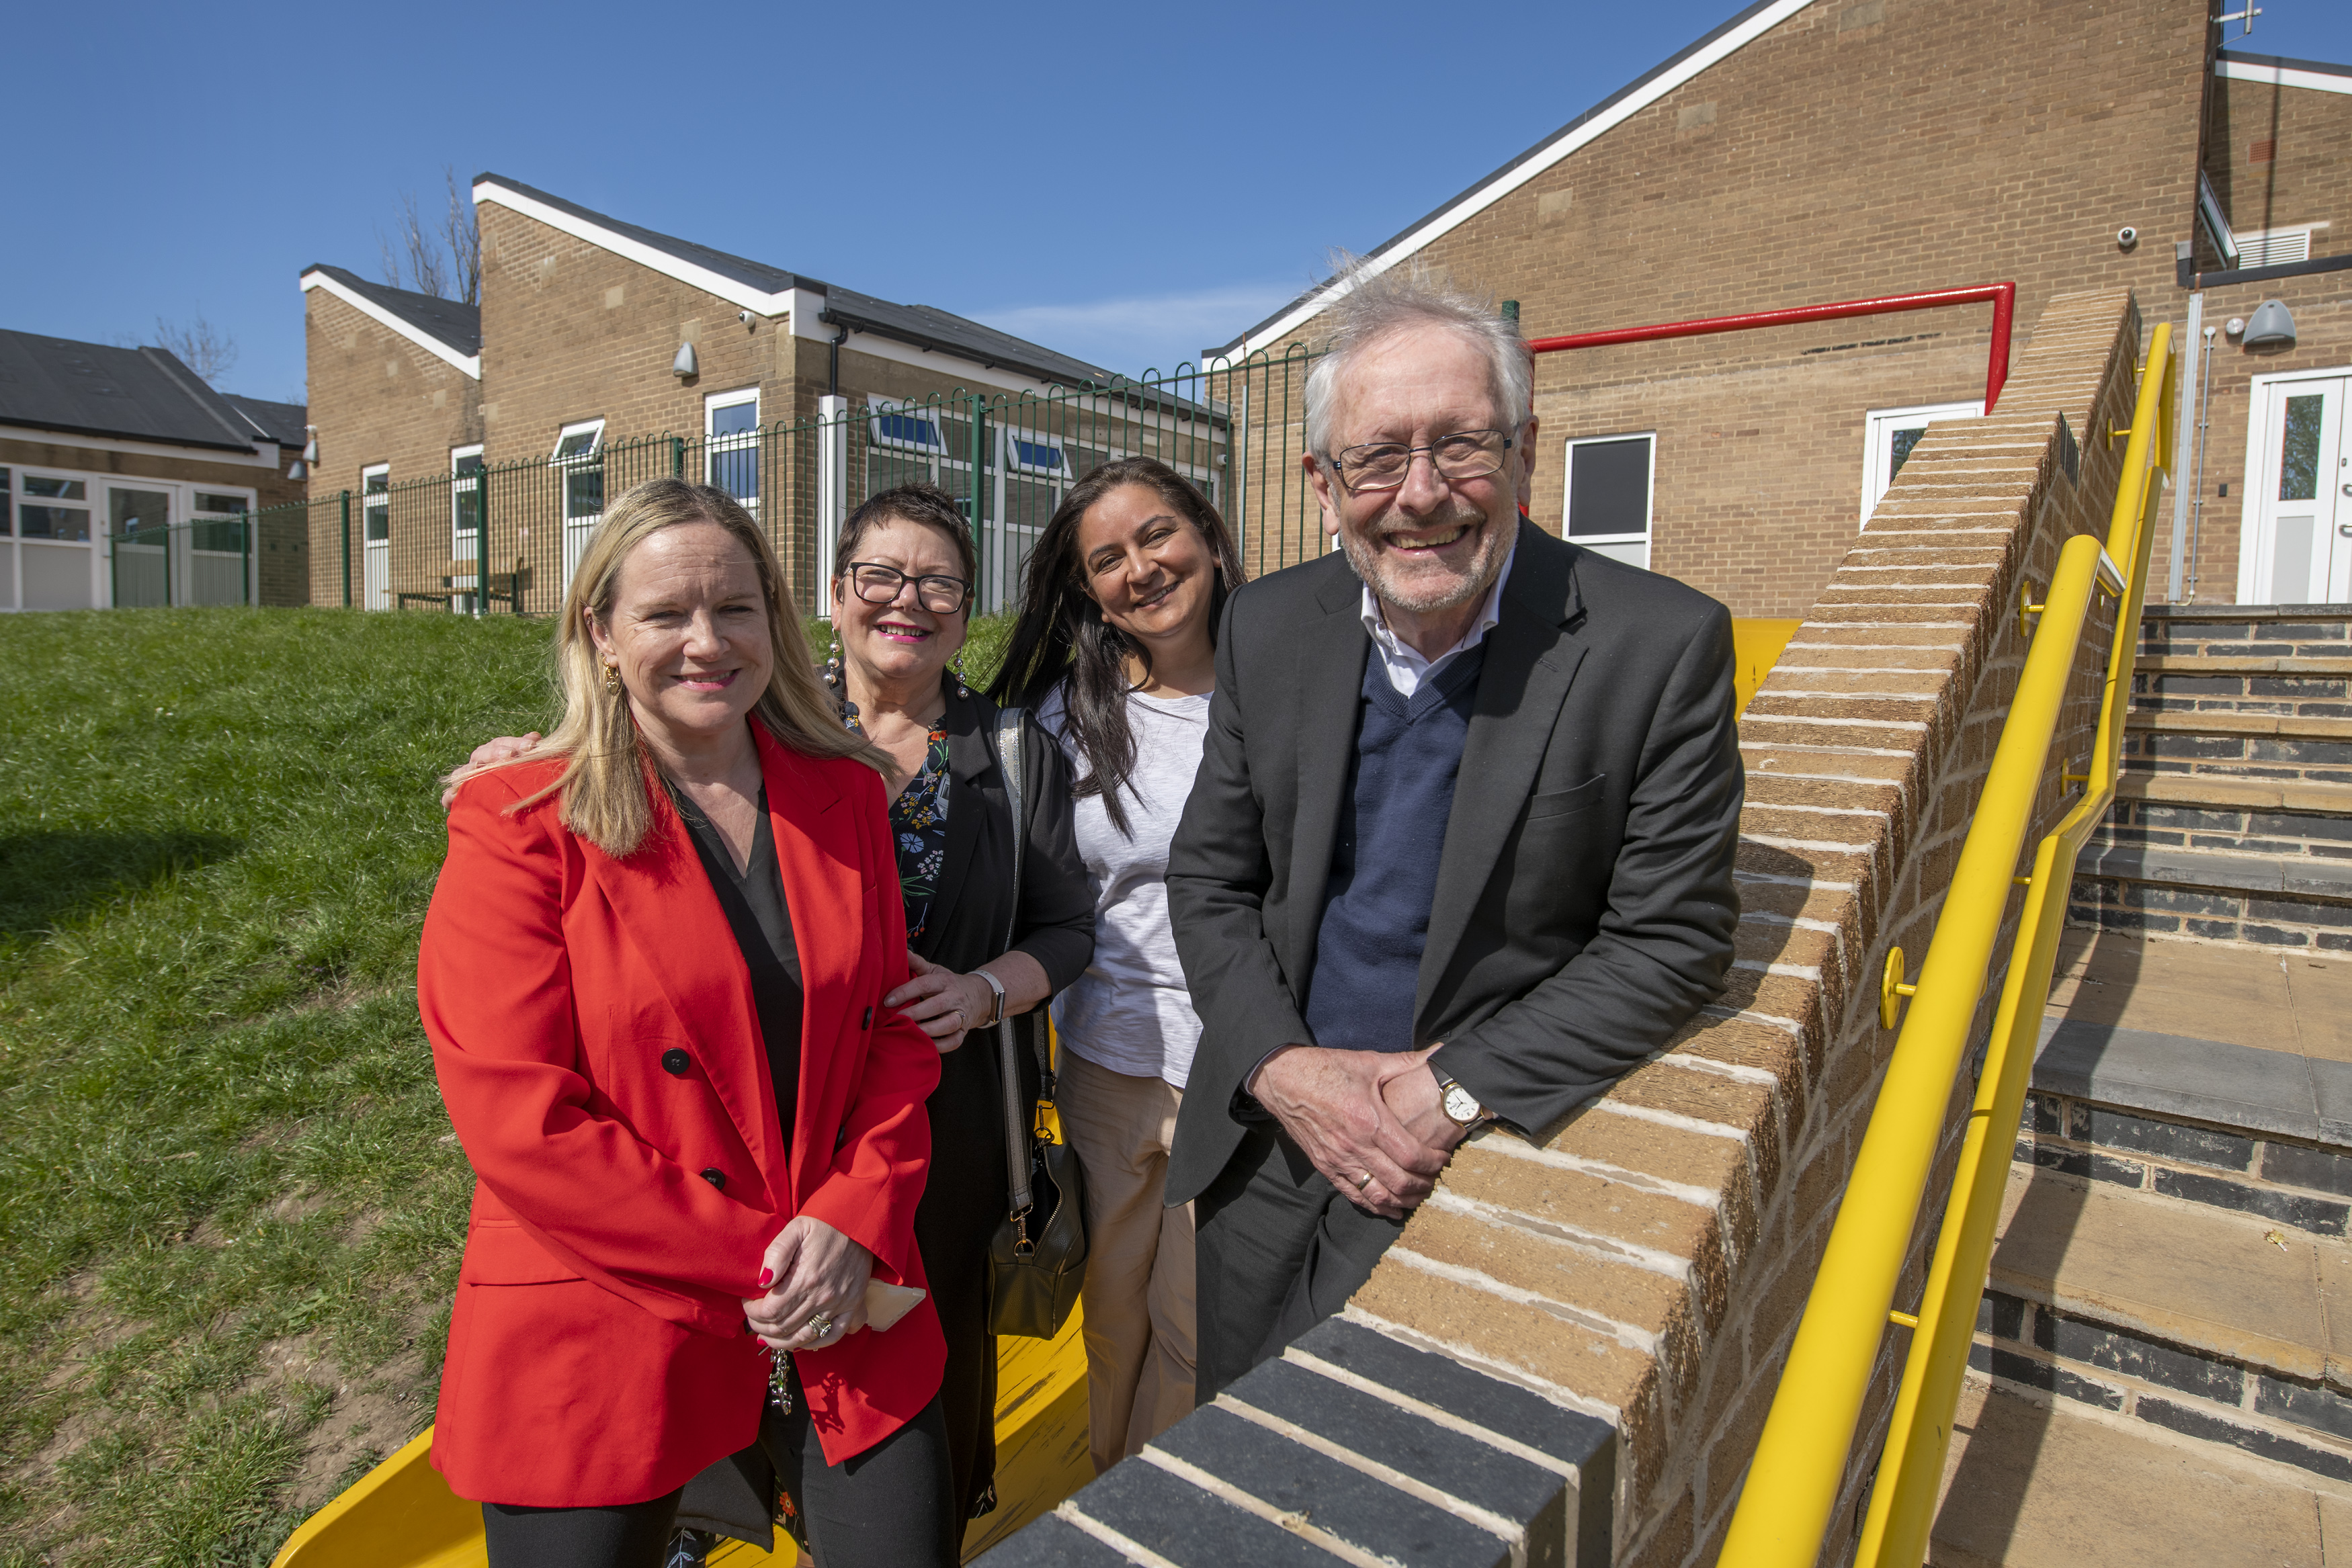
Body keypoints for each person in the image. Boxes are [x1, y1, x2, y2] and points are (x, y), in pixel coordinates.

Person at [1164, 265, 1745, 1403]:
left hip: (1468, 1165)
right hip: (1270, 1150)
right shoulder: (1268, 626)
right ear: (1323, 483)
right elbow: (1210, 879)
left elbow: (1671, 939)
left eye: (1462, 446)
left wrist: (1455, 1092)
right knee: (1231, 1441)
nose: (1421, 493)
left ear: (1525, 452)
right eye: (1379, 457)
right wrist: (1282, 1067)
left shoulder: (1657, 646)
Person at [419, 476, 957, 1568]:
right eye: (666, 612)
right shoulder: (517, 817)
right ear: (601, 633)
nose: (707, 642)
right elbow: (523, 1120)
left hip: (844, 1292)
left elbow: (891, 1031)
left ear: (775, 620)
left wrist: (854, 1217)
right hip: (609, 1310)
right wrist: (770, 1257)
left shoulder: (846, 791)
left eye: (735, 607)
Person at [817, 482, 1095, 1525]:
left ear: (966, 609)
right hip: (794, 1110)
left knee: (926, 1339)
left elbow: (1069, 927)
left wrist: (982, 992)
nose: (909, 598)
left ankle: (909, 1522)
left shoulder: (1013, 750)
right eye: (882, 574)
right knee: (787, 1330)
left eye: (938, 582)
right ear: (836, 592)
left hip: (953, 1117)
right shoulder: (768, 727)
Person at [990, 456, 1245, 1471]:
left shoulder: (1278, 687)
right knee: (1114, 1312)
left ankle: (1159, 1508)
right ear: (1089, 591)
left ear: (1208, 537)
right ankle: (1110, 1487)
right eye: (1107, 559)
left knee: (1192, 1322)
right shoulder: (1063, 714)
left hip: (1231, 1066)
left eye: (1157, 535)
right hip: (1105, 1063)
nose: (1140, 569)